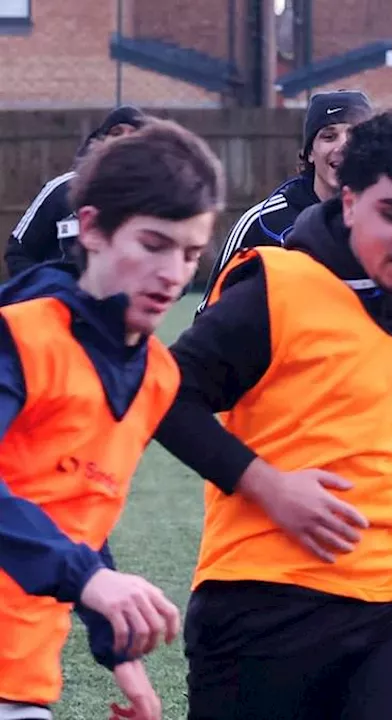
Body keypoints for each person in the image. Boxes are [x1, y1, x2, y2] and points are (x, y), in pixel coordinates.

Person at [151, 105, 392, 720]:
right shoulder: (275, 289)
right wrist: (267, 485)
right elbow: (165, 395)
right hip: (261, 605)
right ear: (351, 201)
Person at [0, 118, 225, 720]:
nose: (173, 274)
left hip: (22, 676)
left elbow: (78, 517)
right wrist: (87, 581)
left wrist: (119, 652)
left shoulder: (156, 375)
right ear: (92, 229)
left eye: (190, 253)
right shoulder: (19, 335)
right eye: (153, 245)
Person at [194, 89, 374, 316]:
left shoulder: (385, 220)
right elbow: (210, 315)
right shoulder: (263, 223)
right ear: (310, 152)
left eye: (354, 136)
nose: (342, 147)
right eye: (329, 136)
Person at [5, 106, 148, 278]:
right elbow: (18, 251)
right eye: (116, 132)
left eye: (134, 134)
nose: (125, 139)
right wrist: (46, 289)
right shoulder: (62, 190)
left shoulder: (158, 197)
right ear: (99, 141)